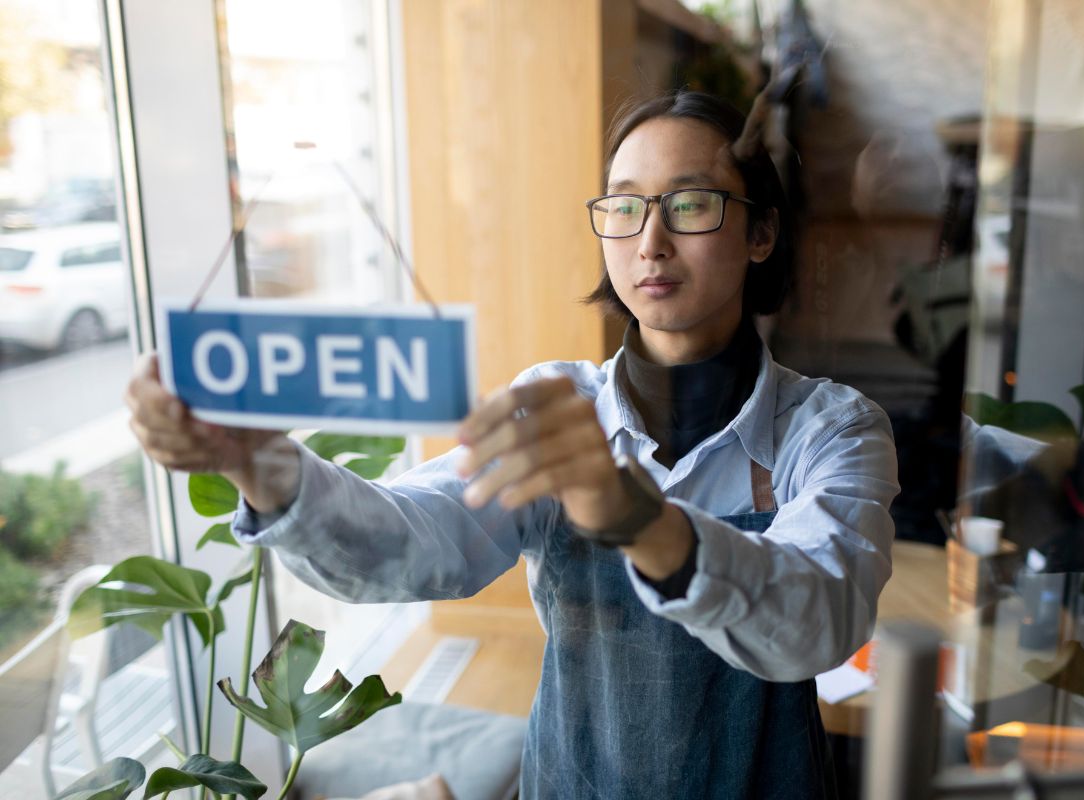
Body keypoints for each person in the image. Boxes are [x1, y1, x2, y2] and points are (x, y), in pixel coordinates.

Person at [126, 90, 899, 799]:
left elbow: (822, 616)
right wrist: (254, 462)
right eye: (624, 208)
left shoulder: (831, 428)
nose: (650, 242)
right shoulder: (557, 407)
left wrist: (641, 521)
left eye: (690, 204)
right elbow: (417, 539)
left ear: (761, 231)